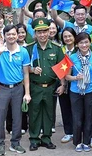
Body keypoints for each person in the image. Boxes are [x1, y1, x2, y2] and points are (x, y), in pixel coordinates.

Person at [0, 25, 31, 155]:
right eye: (8, 34)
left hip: (18, 88)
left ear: (17, 35)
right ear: (4, 36)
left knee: (17, 116)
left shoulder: (23, 51)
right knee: (0, 117)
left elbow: (26, 74)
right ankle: (0, 144)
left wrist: (27, 93)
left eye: (13, 34)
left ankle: (15, 143)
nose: (11, 36)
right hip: (2, 88)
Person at [27, 18, 65, 151]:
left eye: (44, 31)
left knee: (49, 113)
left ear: (49, 32)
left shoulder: (56, 48)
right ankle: (34, 139)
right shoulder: (30, 48)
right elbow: (24, 68)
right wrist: (32, 70)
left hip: (50, 87)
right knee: (34, 113)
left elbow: (62, 68)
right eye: (39, 32)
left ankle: (46, 138)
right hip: (35, 86)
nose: (42, 35)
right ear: (35, 33)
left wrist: (63, 84)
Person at [65, 32, 92, 152]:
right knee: (77, 118)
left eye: (86, 42)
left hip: (91, 91)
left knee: (89, 117)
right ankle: (77, 142)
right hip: (75, 92)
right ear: (77, 44)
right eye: (81, 42)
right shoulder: (72, 58)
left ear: (90, 43)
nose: (84, 45)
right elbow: (66, 76)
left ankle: (86, 141)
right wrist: (76, 78)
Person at [58, 27, 77, 144]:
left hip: (76, 83)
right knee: (65, 108)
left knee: (76, 109)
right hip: (62, 82)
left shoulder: (79, 49)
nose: (68, 38)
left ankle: (77, 131)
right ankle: (68, 132)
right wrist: (62, 84)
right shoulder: (60, 50)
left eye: (70, 36)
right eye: (65, 36)